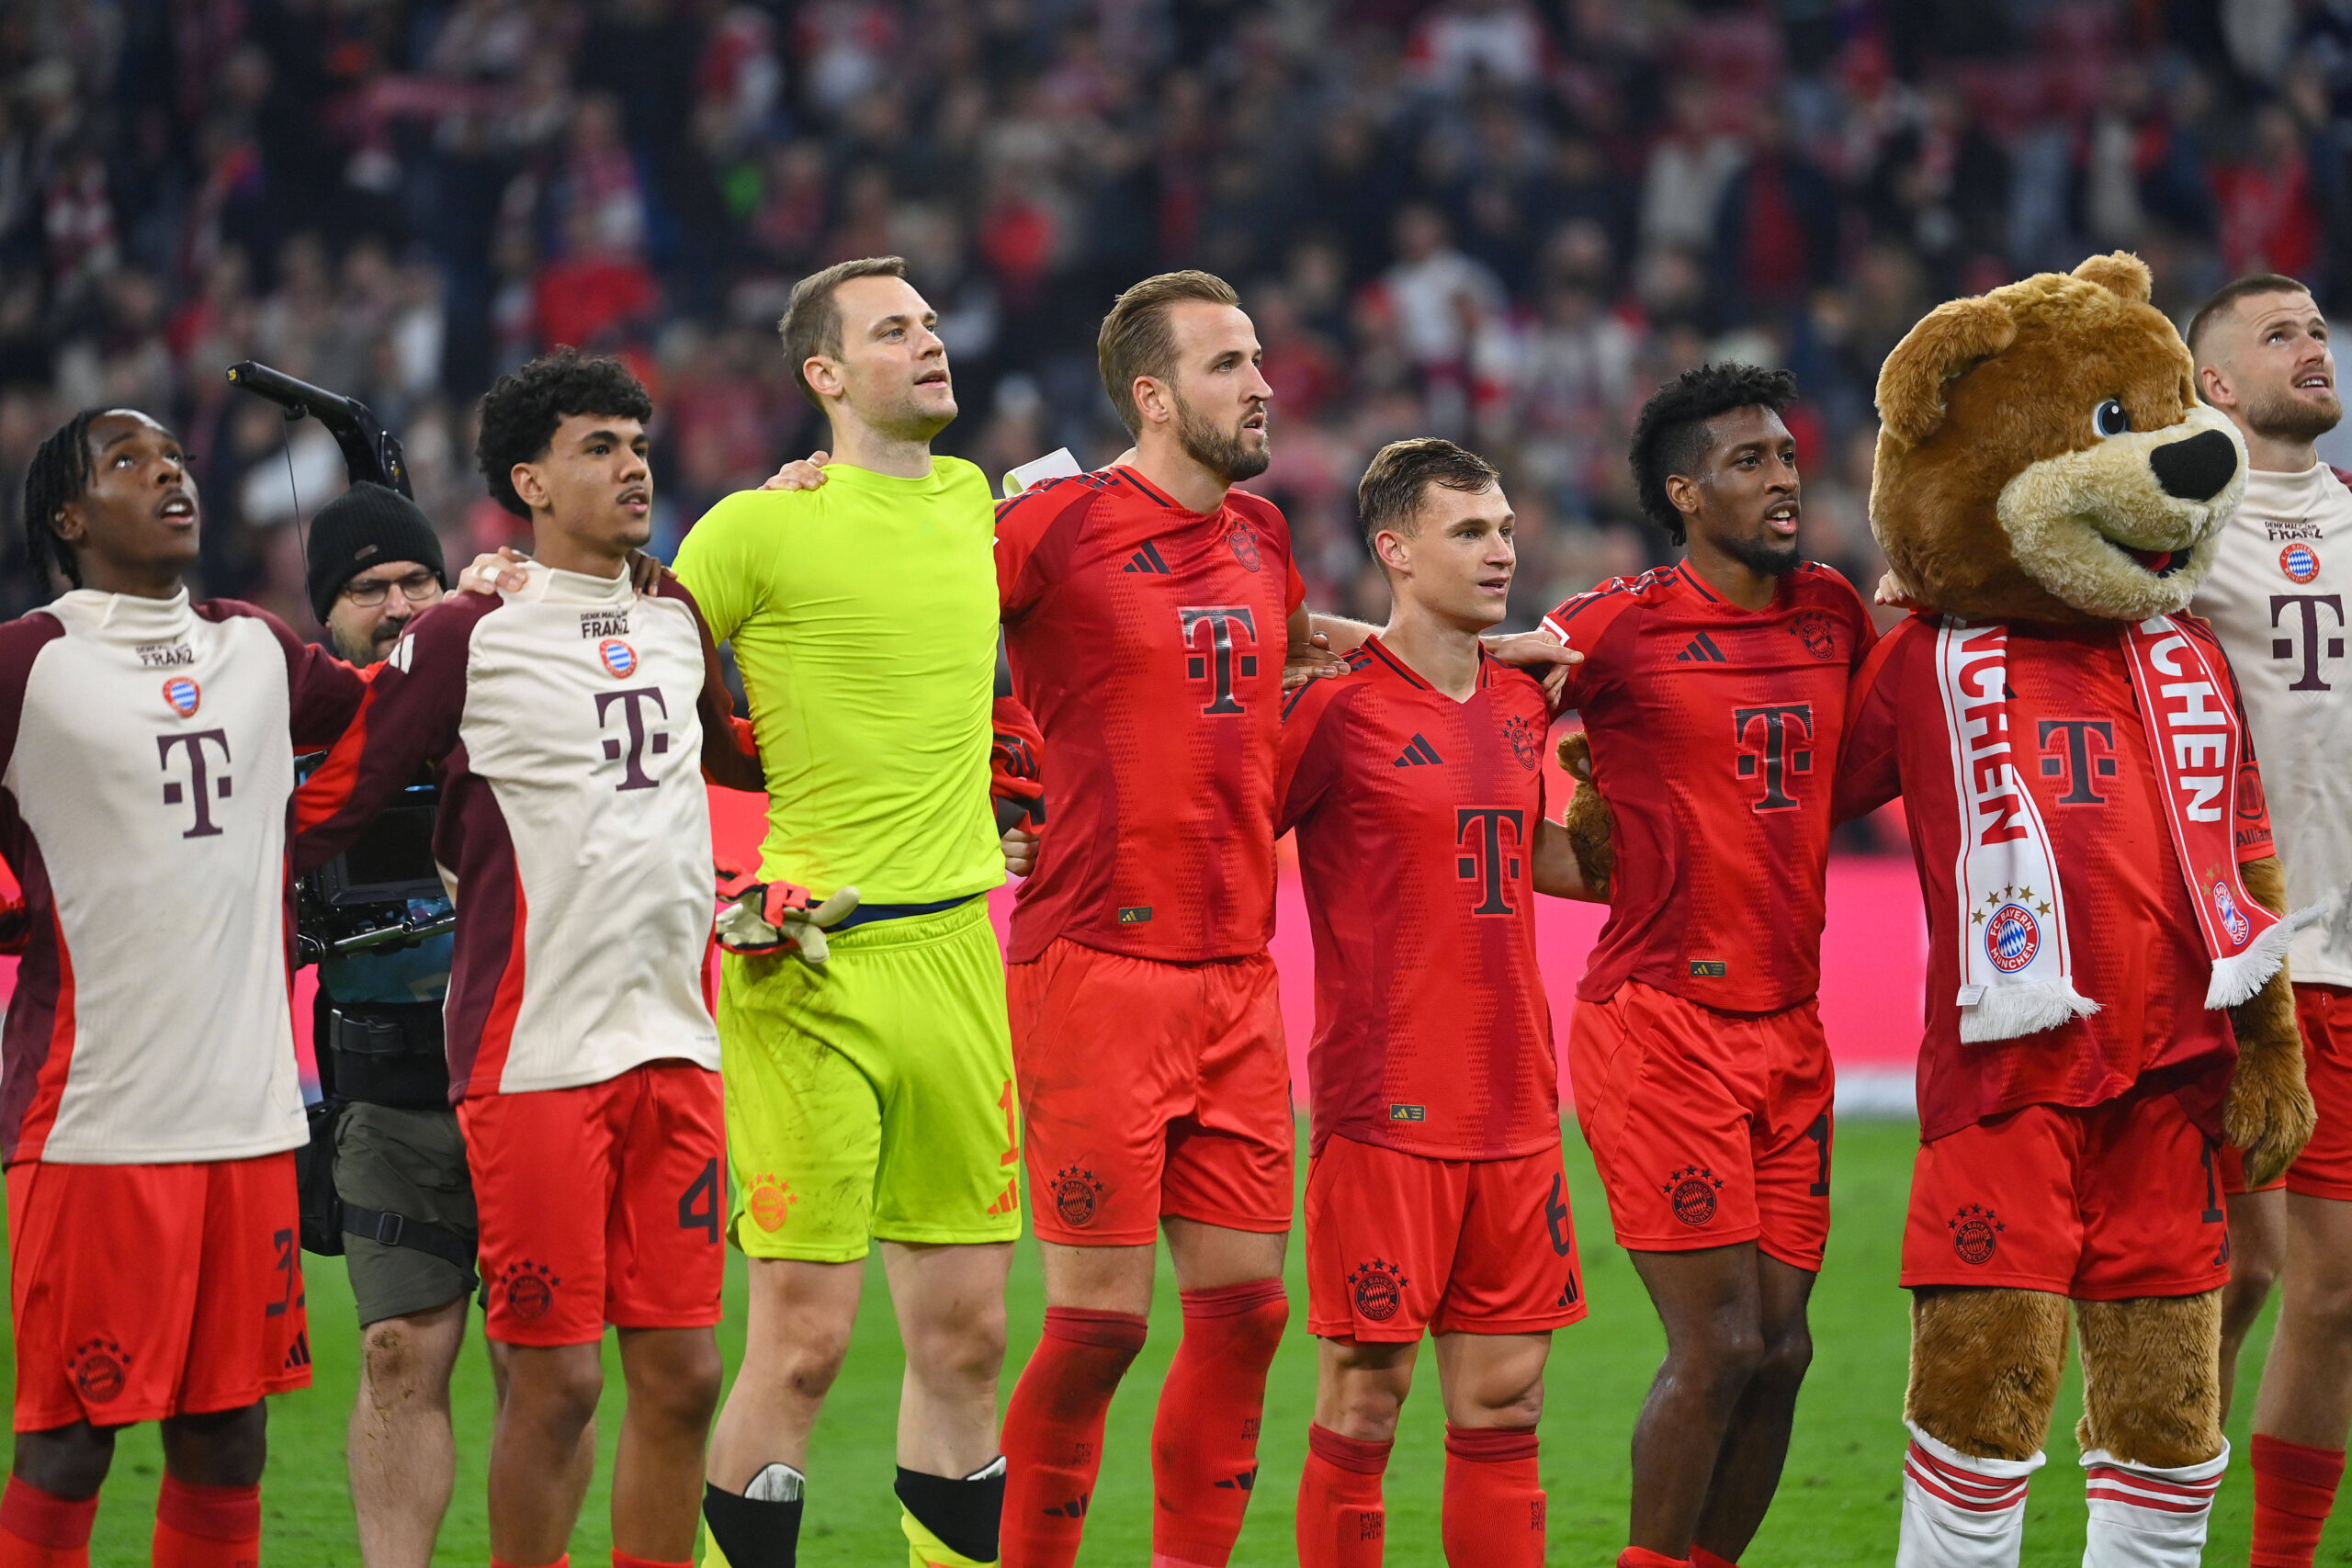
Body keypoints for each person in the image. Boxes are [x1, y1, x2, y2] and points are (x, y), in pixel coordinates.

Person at [294, 349, 754, 1568]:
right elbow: (331, 799)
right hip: (533, 1054)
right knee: (552, 1384)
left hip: (679, 1046)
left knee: (686, 1372)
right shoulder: (465, 632)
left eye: (640, 444)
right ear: (529, 480)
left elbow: (741, 754)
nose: (633, 467)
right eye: (600, 447)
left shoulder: (671, 612)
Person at [670, 256, 1023, 1568]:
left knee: (969, 1338)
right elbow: (631, 670)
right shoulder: (754, 529)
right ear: (824, 374)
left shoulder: (979, 501)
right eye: (893, 330)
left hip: (956, 953)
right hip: (806, 962)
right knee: (805, 1345)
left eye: (932, 321)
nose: (931, 341)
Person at [0, 408, 369, 1568]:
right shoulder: (28, 660)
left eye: (175, 458)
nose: (168, 474)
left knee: (229, 1435)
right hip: (93, 1124)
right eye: (127, 462)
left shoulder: (256, 645)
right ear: (69, 518)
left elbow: (383, 724)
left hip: (251, 1122)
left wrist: (449, 623)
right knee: (70, 1440)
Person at [1541, 365, 1876, 1568]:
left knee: (1785, 1352)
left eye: (1787, 454)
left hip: (1792, 1024)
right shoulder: (1612, 625)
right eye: (1749, 462)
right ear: (1685, 493)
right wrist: (1564, 858)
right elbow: (1467, 734)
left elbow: (1874, 766)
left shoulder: (1835, 610)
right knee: (1720, 1345)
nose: (1783, 477)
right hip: (1660, 1024)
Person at [1279, 438, 1592, 1568]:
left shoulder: (1522, 700)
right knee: (1366, 1396)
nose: (1501, 550)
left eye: (1505, 527)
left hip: (1515, 1106)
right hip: (1386, 1112)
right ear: (1394, 553)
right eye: (1469, 531)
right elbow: (1220, 831)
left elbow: (1539, 856)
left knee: (1507, 1406)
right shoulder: (1336, 711)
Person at [2188, 274, 2352, 1568]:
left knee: (2335, 1293)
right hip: (2241, 969)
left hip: (2348, 957)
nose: (2314, 343)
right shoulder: (2173, 543)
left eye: (2318, 325)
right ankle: (2149, 1514)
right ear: (2216, 388)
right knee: (2229, 1280)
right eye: (2278, 333)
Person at [297, 481, 484, 1568]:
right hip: (384, 1089)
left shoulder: (508, 691)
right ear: (327, 611)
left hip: (525, 1070)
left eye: (419, 579)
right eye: (369, 589)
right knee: (394, 1353)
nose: (401, 603)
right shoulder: (291, 734)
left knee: (544, 1362)